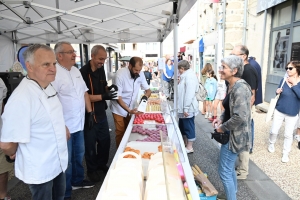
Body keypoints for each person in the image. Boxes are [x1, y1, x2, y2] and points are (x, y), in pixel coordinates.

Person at [0, 44, 68, 200]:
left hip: (57, 159)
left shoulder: (48, 86)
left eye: (54, 64)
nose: (53, 68)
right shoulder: (21, 98)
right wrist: (13, 153)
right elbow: (6, 144)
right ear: (29, 66)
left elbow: (51, 115)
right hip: (40, 167)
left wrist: (62, 128)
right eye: (46, 64)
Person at [52, 42, 94, 199]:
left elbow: (84, 92)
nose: (74, 54)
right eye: (70, 52)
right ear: (59, 55)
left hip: (79, 123)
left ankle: (77, 180)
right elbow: (52, 101)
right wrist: (61, 125)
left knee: (78, 155)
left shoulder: (76, 70)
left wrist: (89, 114)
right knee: (66, 161)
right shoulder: (54, 73)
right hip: (65, 126)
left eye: (73, 51)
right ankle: (65, 192)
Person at [213, 55, 251, 200]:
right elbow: (229, 109)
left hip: (234, 136)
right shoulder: (232, 85)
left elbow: (239, 116)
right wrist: (220, 118)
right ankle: (232, 194)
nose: (220, 70)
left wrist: (222, 128)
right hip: (231, 133)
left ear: (234, 70)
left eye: (224, 67)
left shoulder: (240, 88)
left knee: (224, 171)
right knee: (228, 170)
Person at [80, 45, 118, 182]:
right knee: (90, 146)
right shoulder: (83, 72)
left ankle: (101, 164)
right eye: (100, 59)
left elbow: (103, 87)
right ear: (92, 56)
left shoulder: (101, 70)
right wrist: (103, 96)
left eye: (104, 59)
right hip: (89, 115)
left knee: (105, 142)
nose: (102, 62)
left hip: (101, 113)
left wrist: (109, 88)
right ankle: (92, 170)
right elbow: (84, 96)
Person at [110, 57, 151, 147]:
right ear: (130, 65)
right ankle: (120, 154)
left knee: (130, 130)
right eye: (136, 70)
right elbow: (118, 97)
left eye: (139, 70)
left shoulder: (141, 74)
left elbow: (148, 91)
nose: (138, 72)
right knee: (120, 132)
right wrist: (129, 110)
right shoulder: (120, 75)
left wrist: (145, 97)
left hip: (131, 106)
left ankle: (129, 148)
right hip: (118, 108)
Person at [231, 45, 258, 180]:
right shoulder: (242, 69)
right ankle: (240, 167)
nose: (232, 57)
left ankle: (243, 171)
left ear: (243, 56)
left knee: (243, 139)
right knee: (239, 138)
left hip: (244, 111)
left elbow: (252, 93)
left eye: (234, 54)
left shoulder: (248, 70)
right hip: (240, 110)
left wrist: (244, 112)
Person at [268, 61, 300, 162]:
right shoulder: (283, 80)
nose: (287, 70)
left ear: (297, 70)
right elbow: (278, 90)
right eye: (287, 68)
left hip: (292, 112)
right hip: (279, 109)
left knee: (288, 134)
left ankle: (286, 153)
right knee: (274, 131)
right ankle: (271, 143)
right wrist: (277, 91)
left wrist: (294, 84)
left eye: (290, 68)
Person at [177, 60, 199, 153]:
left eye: (179, 69)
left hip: (188, 107)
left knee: (188, 126)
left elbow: (189, 93)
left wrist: (186, 107)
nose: (178, 71)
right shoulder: (185, 76)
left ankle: (189, 147)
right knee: (183, 125)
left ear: (182, 69)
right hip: (184, 106)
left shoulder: (189, 77)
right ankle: (186, 144)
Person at [0, 78, 12, 200]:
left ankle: (3, 196)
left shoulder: (0, 82)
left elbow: (3, 106)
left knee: (3, 168)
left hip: (0, 133)